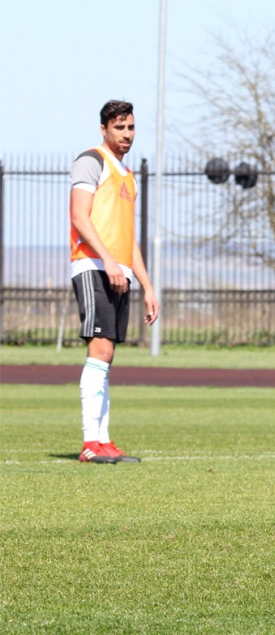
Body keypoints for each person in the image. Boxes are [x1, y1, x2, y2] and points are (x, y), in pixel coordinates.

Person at [69, 100, 160, 464]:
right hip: (92, 265)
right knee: (101, 348)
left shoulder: (127, 175)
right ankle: (91, 443)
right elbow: (79, 214)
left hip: (118, 270)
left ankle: (103, 441)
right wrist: (107, 260)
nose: (127, 134)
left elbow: (127, 237)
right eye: (119, 128)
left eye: (131, 128)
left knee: (107, 356)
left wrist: (148, 285)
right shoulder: (91, 160)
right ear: (104, 129)